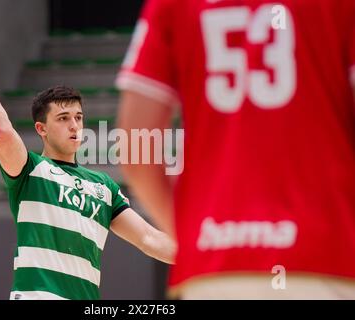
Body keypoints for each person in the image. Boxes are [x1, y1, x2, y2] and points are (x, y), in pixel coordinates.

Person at [116, 0, 355, 299]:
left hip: (214, 264)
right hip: (325, 258)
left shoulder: (172, 5)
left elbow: (137, 151)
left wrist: (192, 235)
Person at [0, 49, 176, 300]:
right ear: (41, 129)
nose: (74, 125)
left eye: (78, 117)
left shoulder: (104, 186)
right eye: (63, 118)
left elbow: (149, 238)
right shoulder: (30, 170)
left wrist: (205, 255)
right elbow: (1, 131)